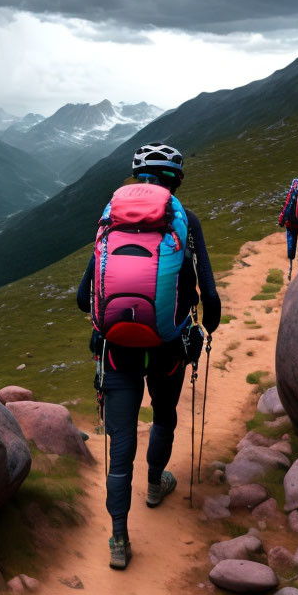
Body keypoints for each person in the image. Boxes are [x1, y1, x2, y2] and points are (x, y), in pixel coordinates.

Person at [76, 142, 221, 570]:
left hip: (117, 350)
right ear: (175, 181)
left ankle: (119, 538)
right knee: (163, 415)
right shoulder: (186, 222)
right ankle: (156, 484)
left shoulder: (111, 219)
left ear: (137, 177)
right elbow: (209, 299)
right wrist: (203, 327)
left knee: (121, 442)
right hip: (168, 350)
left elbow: (84, 298)